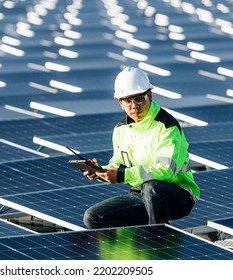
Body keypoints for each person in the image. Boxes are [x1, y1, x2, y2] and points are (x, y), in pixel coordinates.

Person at [83, 66, 200, 229]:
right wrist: (101, 171)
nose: (134, 106)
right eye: (127, 100)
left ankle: (157, 244)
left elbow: (165, 171)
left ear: (149, 95)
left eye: (138, 99)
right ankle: (136, 249)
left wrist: (122, 175)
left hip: (177, 195)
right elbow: (120, 165)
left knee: (152, 188)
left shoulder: (166, 127)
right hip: (139, 194)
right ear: (120, 102)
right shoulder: (120, 130)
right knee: (93, 217)